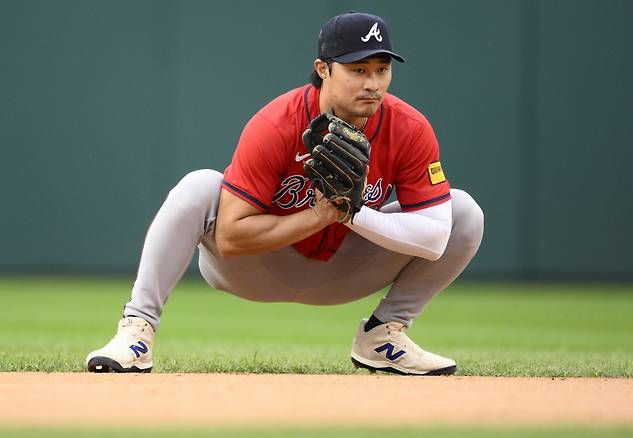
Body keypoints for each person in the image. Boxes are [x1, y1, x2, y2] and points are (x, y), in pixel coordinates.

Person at [86, 11, 484, 376]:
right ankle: (137, 331)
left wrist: (349, 213)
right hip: (256, 266)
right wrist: (317, 216)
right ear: (323, 69)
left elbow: (434, 239)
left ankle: (383, 335)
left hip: (346, 266)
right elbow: (229, 236)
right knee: (199, 185)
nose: (372, 83)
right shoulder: (278, 123)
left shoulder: (409, 128)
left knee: (463, 212)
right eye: (357, 69)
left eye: (382, 69)